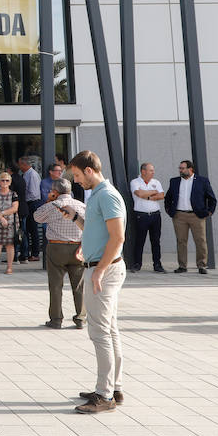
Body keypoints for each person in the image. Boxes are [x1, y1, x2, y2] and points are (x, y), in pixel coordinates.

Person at [62, 150, 126, 414]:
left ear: (89, 171)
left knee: (100, 333)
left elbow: (117, 237)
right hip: (102, 266)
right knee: (109, 330)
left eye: (77, 175)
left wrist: (98, 270)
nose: (76, 181)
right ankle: (113, 388)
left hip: (104, 270)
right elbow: (98, 230)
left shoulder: (107, 195)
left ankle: (105, 394)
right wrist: (76, 220)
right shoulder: (99, 195)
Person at [32, 175, 86, 330]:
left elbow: (37, 218)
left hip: (56, 247)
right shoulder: (81, 205)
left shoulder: (52, 205)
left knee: (55, 285)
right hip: (77, 247)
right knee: (79, 285)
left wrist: (48, 200)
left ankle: (56, 319)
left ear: (54, 192)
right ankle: (81, 318)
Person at [165, 160, 217, 274]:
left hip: (196, 216)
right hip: (179, 216)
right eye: (180, 168)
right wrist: (168, 210)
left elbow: (212, 198)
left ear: (190, 169)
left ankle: (202, 265)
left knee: (200, 241)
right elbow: (168, 197)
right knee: (181, 241)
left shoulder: (202, 181)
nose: (180, 170)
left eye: (183, 168)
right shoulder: (174, 181)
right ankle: (182, 266)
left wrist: (209, 212)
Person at [129, 162, 165, 272]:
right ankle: (137, 264)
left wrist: (147, 196)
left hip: (155, 215)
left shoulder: (156, 182)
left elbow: (161, 195)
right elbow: (139, 194)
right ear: (143, 171)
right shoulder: (135, 182)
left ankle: (157, 264)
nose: (153, 172)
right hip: (141, 216)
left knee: (156, 241)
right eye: (151, 170)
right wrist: (153, 192)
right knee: (140, 240)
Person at [17, 156, 43, 262]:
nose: (19, 166)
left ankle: (35, 254)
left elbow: (33, 193)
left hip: (32, 203)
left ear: (24, 164)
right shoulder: (26, 174)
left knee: (33, 229)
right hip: (28, 203)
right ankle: (27, 253)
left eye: (20, 164)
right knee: (27, 229)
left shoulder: (32, 175)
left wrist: (23, 199)